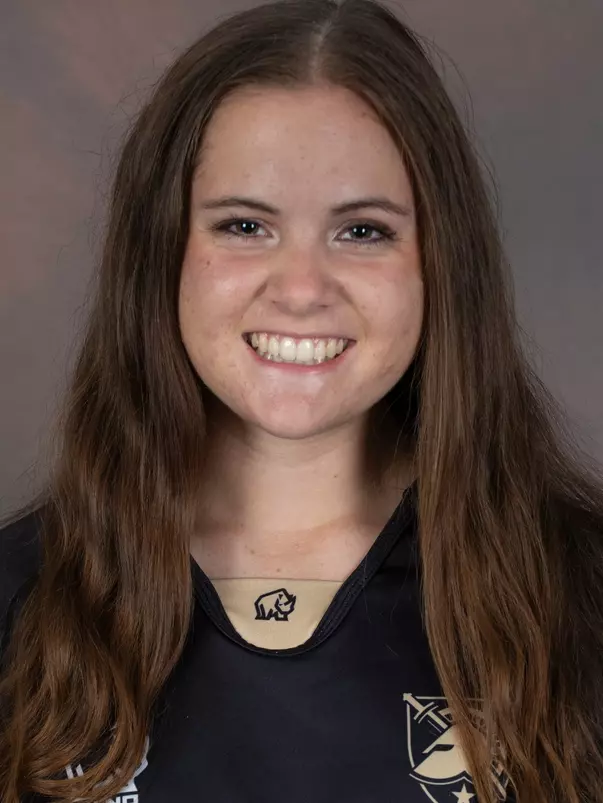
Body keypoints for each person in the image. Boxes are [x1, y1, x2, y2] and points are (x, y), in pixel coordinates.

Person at [1, 0, 602, 800]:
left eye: (362, 231)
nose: (301, 290)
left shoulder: (578, 596)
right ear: (163, 250)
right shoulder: (21, 601)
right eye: (244, 225)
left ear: (440, 265)